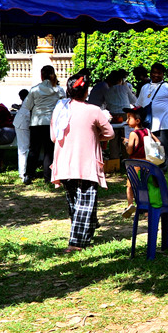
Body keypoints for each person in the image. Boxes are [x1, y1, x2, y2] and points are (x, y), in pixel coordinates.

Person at [50, 73, 115, 253]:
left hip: (64, 162)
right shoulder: (93, 110)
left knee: (75, 202)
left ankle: (87, 234)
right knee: (85, 203)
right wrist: (95, 135)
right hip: (86, 163)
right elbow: (110, 133)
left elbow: (54, 136)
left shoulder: (60, 109)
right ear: (86, 92)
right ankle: (76, 242)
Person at [21, 65, 66, 184]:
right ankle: (48, 176)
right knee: (49, 150)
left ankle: (29, 175)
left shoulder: (34, 89)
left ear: (41, 76)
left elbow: (28, 106)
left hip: (36, 122)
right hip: (51, 122)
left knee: (33, 149)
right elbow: (63, 106)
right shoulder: (58, 90)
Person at [136, 63, 168, 173]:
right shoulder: (145, 88)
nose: (156, 75)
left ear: (163, 74)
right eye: (154, 72)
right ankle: (150, 167)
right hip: (148, 123)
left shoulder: (167, 87)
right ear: (150, 73)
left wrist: (167, 114)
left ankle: (162, 170)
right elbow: (139, 104)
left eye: (159, 73)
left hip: (163, 124)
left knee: (162, 147)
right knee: (148, 146)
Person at [120, 105, 150, 218]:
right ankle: (147, 208)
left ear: (137, 121)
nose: (127, 120)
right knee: (145, 186)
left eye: (129, 118)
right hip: (147, 163)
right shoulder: (147, 131)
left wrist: (126, 143)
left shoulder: (133, 133)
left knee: (130, 186)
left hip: (135, 164)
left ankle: (130, 204)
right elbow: (157, 142)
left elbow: (130, 150)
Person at [13, 88, 31, 184]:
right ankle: (23, 173)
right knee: (23, 149)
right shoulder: (30, 99)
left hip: (23, 122)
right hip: (22, 124)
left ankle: (25, 171)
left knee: (25, 148)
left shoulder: (29, 100)